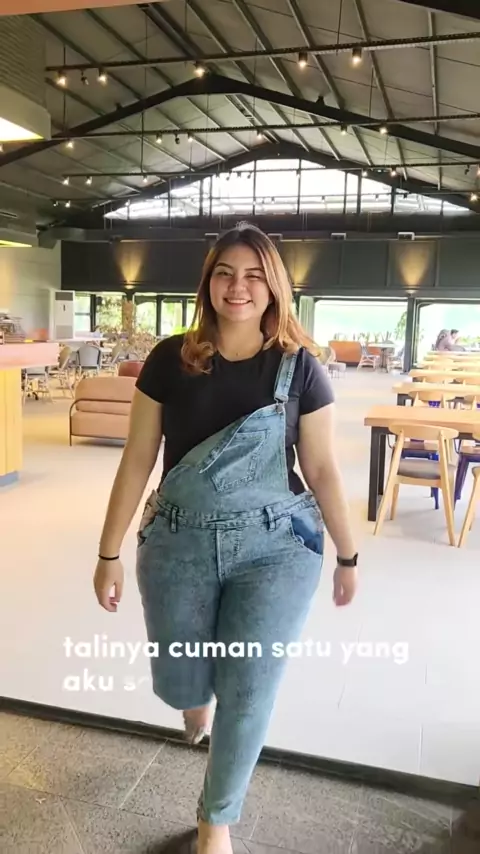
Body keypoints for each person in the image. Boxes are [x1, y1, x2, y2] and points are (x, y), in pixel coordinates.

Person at [93, 223, 358, 854]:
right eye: (225, 273)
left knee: (248, 691)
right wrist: (108, 552)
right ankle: (194, 699)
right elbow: (137, 459)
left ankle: (217, 819)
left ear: (274, 288)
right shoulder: (169, 360)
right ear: (207, 283)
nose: (238, 287)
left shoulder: (300, 369)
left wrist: (348, 555)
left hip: (277, 548)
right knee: (181, 681)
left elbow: (321, 468)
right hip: (176, 542)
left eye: (254, 276)